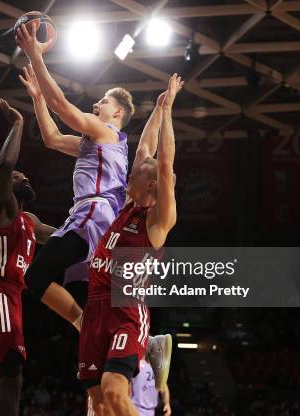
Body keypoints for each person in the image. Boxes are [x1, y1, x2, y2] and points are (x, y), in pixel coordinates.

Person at [78, 73, 183, 416]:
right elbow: (145, 149)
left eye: (137, 173)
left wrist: (167, 111)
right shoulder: (128, 206)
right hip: (95, 308)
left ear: (151, 184)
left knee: (115, 391)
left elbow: (163, 163)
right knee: (100, 402)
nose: (130, 173)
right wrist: (156, 108)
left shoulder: (157, 221)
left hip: (125, 309)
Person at [17, 24, 135, 329]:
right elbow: (53, 138)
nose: (96, 105)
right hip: (96, 217)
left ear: (118, 114)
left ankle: (87, 325)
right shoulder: (101, 143)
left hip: (93, 213)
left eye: (104, 103)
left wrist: (35, 55)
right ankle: (101, 330)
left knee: (36, 277)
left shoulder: (105, 132)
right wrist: (37, 98)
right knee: (61, 286)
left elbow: (63, 108)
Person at [0, 99, 55, 416]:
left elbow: (61, 238)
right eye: (21, 176)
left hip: (10, 295)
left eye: (26, 176)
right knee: (11, 377)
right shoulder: (2, 211)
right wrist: (18, 124)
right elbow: (4, 167)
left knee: (4, 379)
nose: (24, 177)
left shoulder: (30, 221)